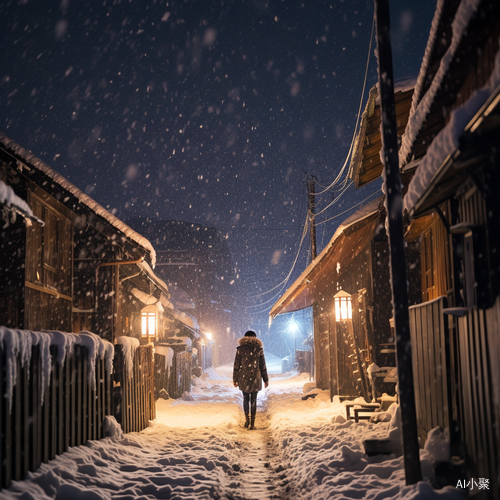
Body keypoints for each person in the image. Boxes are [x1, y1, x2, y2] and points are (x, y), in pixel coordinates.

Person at [233, 330, 269, 430]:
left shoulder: (240, 349)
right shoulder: (258, 349)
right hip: (255, 378)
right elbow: (263, 366)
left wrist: (235, 379)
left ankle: (247, 419)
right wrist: (265, 379)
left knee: (245, 399)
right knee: (253, 400)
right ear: (255, 338)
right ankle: (252, 422)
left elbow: (236, 366)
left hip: (243, 377)